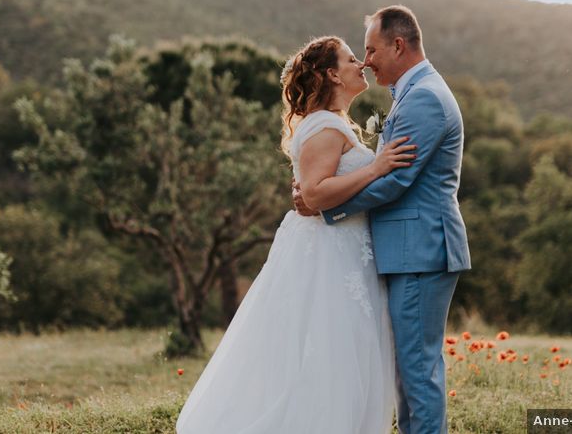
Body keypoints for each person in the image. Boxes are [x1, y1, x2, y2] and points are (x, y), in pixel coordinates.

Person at [176, 35, 417, 433]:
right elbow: (315, 194)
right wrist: (375, 168)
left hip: (344, 249)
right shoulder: (324, 124)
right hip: (329, 254)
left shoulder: (333, 123)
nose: (361, 65)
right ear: (330, 74)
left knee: (338, 354)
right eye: (351, 59)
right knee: (329, 355)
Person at [295, 5, 470, 434]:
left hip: (419, 251)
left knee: (416, 369)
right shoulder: (415, 93)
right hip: (412, 250)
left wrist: (324, 205)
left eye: (371, 50)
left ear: (398, 44)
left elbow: (396, 182)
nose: (367, 61)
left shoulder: (425, 97)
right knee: (411, 369)